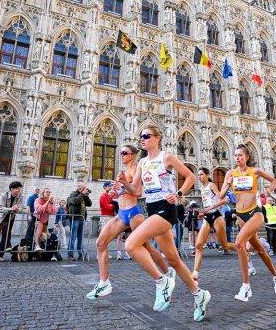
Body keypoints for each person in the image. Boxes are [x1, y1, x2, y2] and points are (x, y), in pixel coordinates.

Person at [118, 126, 211, 322]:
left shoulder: (166, 157)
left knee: (131, 244)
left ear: (157, 138)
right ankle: (199, 294)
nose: (142, 139)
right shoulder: (142, 162)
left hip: (166, 208)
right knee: (174, 260)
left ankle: (161, 282)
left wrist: (178, 194)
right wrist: (123, 183)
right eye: (140, 136)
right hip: (151, 208)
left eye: (146, 136)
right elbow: (135, 190)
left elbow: (190, 177)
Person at [87, 144, 172, 300]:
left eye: (125, 153)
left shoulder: (135, 170)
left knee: (146, 247)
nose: (121, 155)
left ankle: (167, 273)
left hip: (133, 213)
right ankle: (104, 282)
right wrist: (115, 192)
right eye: (120, 152)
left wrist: (124, 184)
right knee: (100, 243)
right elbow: (121, 192)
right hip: (121, 213)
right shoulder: (123, 172)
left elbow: (138, 192)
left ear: (132, 155)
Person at [220, 144, 276, 301]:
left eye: (240, 155)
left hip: (255, 213)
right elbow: (221, 195)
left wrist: (269, 190)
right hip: (241, 216)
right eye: (235, 155)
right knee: (260, 251)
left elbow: (274, 181)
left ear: (247, 157)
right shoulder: (230, 173)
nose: (237, 158)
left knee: (239, 243)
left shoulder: (254, 171)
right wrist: (227, 183)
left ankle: (246, 287)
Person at [191, 167, 232, 280]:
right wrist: (203, 212)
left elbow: (223, 199)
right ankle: (195, 272)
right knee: (199, 245)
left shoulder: (211, 185)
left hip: (217, 215)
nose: (199, 177)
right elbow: (206, 203)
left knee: (225, 245)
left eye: (202, 174)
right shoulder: (201, 187)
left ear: (208, 175)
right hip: (207, 217)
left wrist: (209, 208)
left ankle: (242, 249)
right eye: (198, 175)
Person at [0, 181, 25, 261]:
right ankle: (8, 246)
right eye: (17, 189)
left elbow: (21, 207)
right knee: (6, 231)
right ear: (11, 189)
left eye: (19, 190)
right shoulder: (4, 195)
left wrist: (18, 209)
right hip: (2, 216)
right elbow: (1, 208)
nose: (18, 191)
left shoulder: (20, 196)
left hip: (11, 217)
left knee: (5, 236)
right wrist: (11, 209)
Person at [66, 184, 92, 261]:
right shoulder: (72, 194)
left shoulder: (83, 196)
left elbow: (89, 204)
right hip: (74, 218)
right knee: (73, 236)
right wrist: (82, 194)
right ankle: (70, 254)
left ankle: (80, 253)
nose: (85, 190)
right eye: (84, 188)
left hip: (81, 218)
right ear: (79, 188)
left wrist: (86, 195)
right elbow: (75, 201)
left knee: (80, 237)